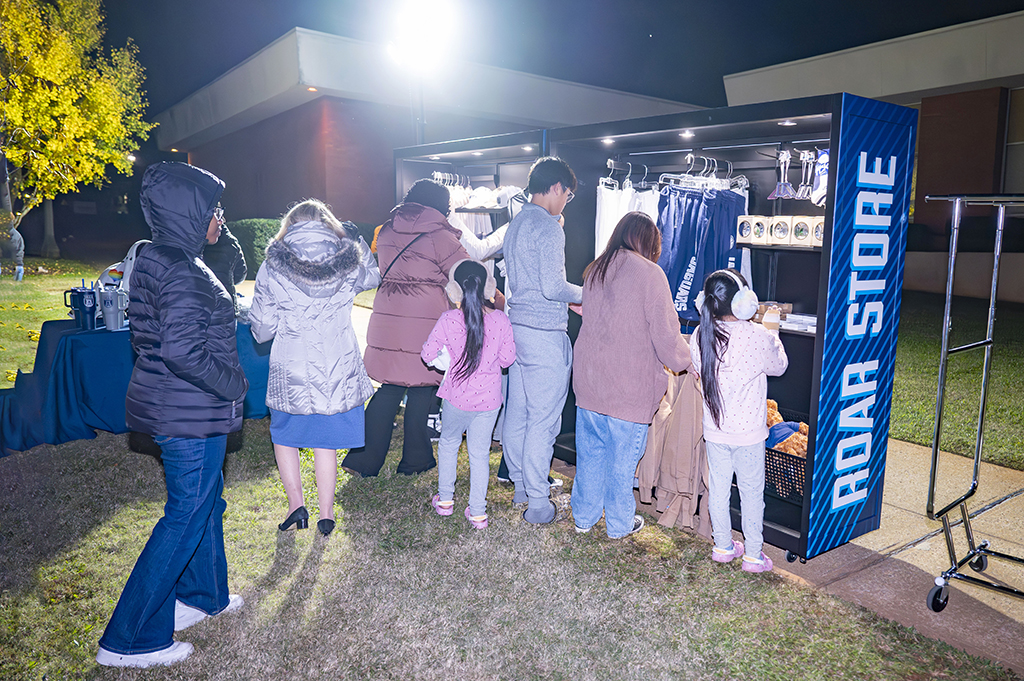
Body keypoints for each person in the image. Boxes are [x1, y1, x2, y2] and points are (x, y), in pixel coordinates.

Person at [96, 162, 248, 668]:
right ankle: (130, 639)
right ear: (190, 213)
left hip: (180, 406)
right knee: (185, 513)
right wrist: (235, 384)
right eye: (213, 209)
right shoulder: (180, 268)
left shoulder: (164, 258)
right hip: (189, 410)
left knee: (206, 504)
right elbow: (184, 352)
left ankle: (202, 596)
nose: (220, 218)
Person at [248, 199, 380, 536]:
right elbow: (373, 275)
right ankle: (326, 513)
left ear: (289, 226)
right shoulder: (347, 260)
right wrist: (357, 241)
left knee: (285, 437)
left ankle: (297, 507)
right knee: (326, 440)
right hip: (337, 365)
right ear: (328, 224)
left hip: (291, 368)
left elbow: (261, 330)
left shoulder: (272, 265)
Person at [571, 212, 691, 538]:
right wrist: (687, 360)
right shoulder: (651, 274)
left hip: (589, 379)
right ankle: (619, 525)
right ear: (648, 242)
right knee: (622, 464)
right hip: (628, 385)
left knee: (591, 455)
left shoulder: (595, 269)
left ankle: (583, 518)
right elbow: (666, 334)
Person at [342, 179, 469, 477]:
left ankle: (362, 460)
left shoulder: (386, 230)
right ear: (441, 205)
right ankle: (415, 460)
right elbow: (465, 271)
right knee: (423, 390)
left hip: (388, 316)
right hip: (425, 321)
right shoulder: (440, 236)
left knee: (389, 388)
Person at [689, 269, 788, 573]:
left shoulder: (699, 334)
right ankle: (754, 556)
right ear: (744, 302)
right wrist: (773, 333)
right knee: (751, 493)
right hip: (749, 434)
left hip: (715, 432)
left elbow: (697, 374)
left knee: (719, 489)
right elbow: (780, 366)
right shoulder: (758, 336)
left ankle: (722, 546)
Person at [501, 157, 581, 524]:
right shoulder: (548, 229)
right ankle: (537, 501)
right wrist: (589, 292)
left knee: (518, 413)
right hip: (544, 332)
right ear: (555, 188)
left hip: (516, 327)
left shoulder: (517, 223)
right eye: (568, 193)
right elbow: (553, 287)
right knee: (543, 421)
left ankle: (521, 484)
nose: (567, 201)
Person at [421, 259, 516, 529]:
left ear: (454, 290)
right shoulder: (500, 319)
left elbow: (427, 354)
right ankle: (477, 513)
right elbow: (508, 360)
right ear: (487, 287)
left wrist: (447, 357)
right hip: (488, 401)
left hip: (456, 397)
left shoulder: (448, 319)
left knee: (449, 444)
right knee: (479, 453)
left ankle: (446, 501)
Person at [202, 221, 247, 316]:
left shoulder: (190, 240)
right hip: (226, 309)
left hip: (199, 310)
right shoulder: (230, 242)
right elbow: (240, 275)